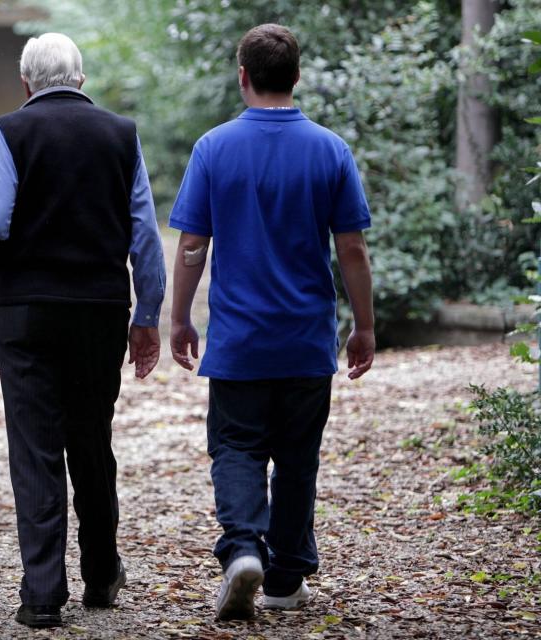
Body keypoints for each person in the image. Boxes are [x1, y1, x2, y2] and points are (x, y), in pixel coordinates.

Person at [0, 33, 166, 629]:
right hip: (99, 309)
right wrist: (146, 317)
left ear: (25, 83)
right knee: (92, 441)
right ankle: (101, 575)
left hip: (26, 313)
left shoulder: (9, 132)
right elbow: (143, 233)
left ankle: (42, 595)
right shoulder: (122, 135)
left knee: (36, 448)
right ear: (82, 79)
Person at [168, 24, 375, 621]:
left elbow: (191, 245)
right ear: (296, 77)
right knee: (297, 456)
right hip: (307, 339)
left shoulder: (214, 148)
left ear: (243, 77)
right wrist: (363, 326)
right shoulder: (330, 149)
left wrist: (180, 318)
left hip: (239, 341)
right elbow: (353, 250)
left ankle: (241, 550)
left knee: (235, 446)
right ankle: (285, 578)